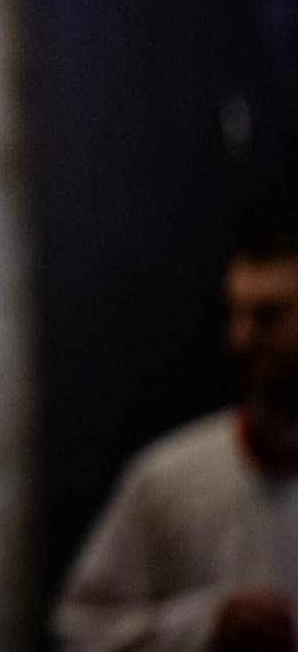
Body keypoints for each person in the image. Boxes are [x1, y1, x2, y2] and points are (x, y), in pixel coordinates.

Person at [54, 222, 298, 652]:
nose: (241, 338)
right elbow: (81, 627)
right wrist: (204, 623)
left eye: (267, 316)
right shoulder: (167, 479)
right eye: (235, 314)